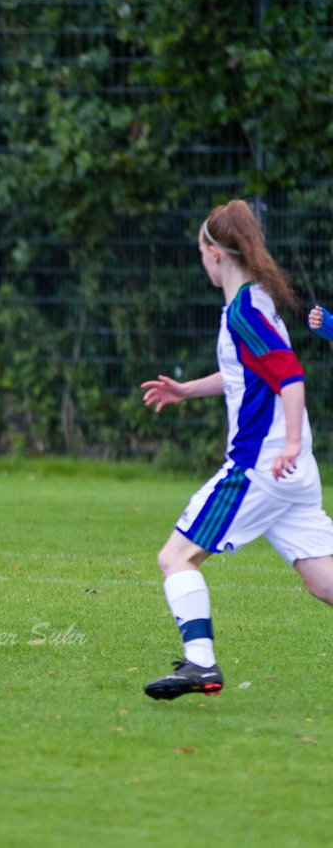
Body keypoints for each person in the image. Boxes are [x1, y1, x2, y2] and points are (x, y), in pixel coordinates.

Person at [139, 199, 333, 700]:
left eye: (200, 251)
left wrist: (288, 440)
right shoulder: (255, 302)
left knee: (176, 557)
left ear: (214, 253)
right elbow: (245, 376)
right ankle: (199, 664)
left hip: (261, 469)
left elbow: (289, 375)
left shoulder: (245, 311)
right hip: (292, 472)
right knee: (324, 582)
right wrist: (187, 390)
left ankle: (200, 664)